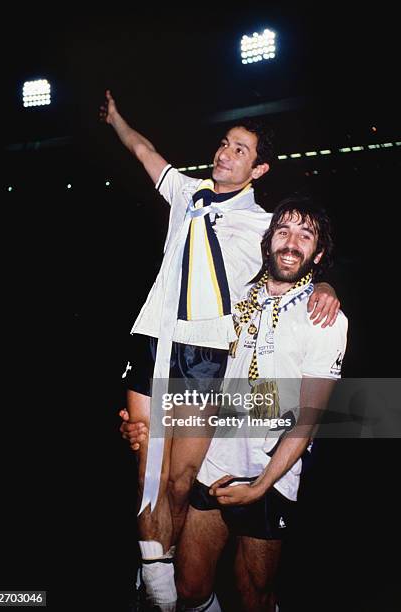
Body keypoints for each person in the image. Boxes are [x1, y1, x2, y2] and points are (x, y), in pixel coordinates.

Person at [99, 90, 340, 611]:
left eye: (240, 150)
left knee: (192, 494)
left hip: (228, 391)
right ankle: (152, 575)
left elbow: (294, 260)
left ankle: (164, 568)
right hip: (167, 355)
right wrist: (117, 118)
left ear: (259, 170)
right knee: (153, 479)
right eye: (224, 144)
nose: (225, 154)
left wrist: (325, 287)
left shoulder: (265, 228)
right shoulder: (188, 193)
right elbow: (144, 151)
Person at [173, 196, 348, 612]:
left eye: (306, 236)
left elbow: (309, 418)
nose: (292, 243)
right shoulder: (235, 296)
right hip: (215, 459)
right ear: (268, 242)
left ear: (318, 254)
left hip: (272, 471)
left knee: (254, 594)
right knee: (190, 586)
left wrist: (262, 485)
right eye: (284, 231)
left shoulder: (325, 319)